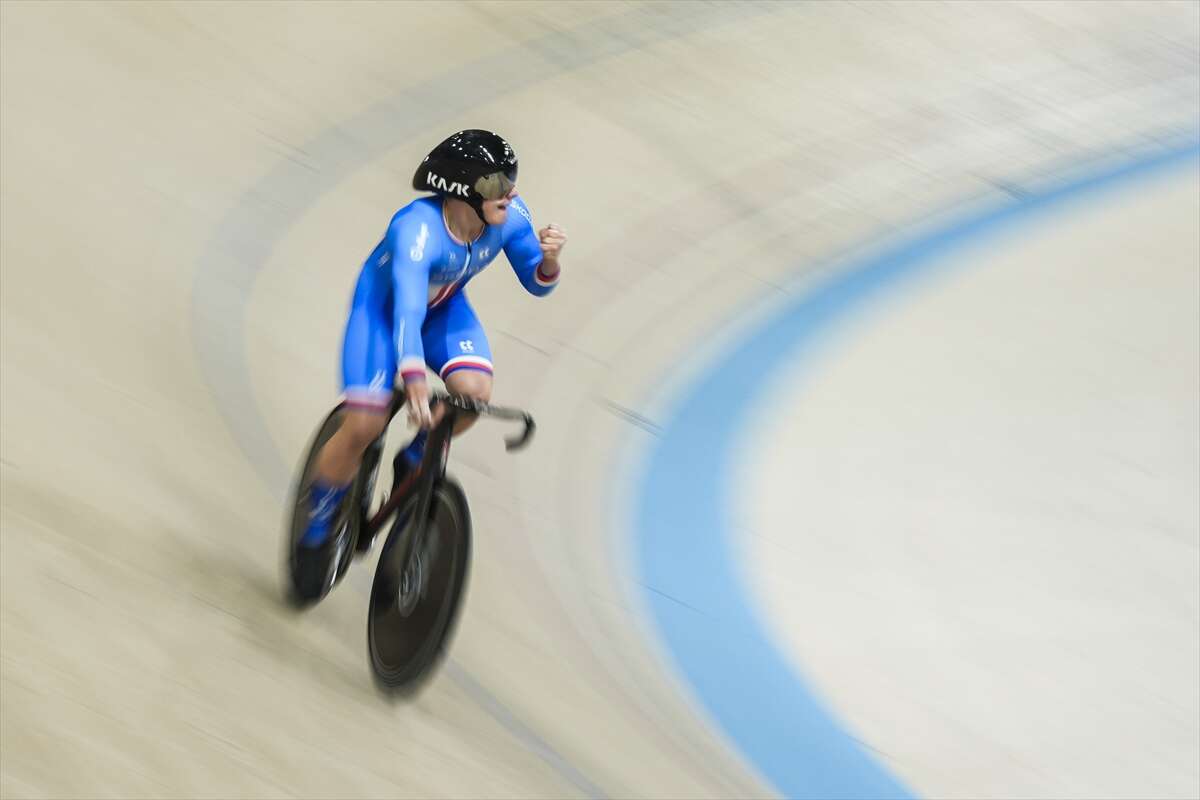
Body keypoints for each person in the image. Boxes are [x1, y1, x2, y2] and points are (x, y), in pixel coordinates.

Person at [293, 129, 566, 598]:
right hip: (384, 315)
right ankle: (317, 523)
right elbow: (406, 312)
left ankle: (416, 457)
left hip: (443, 310)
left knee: (473, 395)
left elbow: (537, 283)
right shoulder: (415, 229)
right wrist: (414, 380)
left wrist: (550, 261)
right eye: (498, 183)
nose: (511, 192)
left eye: (512, 179)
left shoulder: (510, 217)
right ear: (463, 189)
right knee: (363, 426)